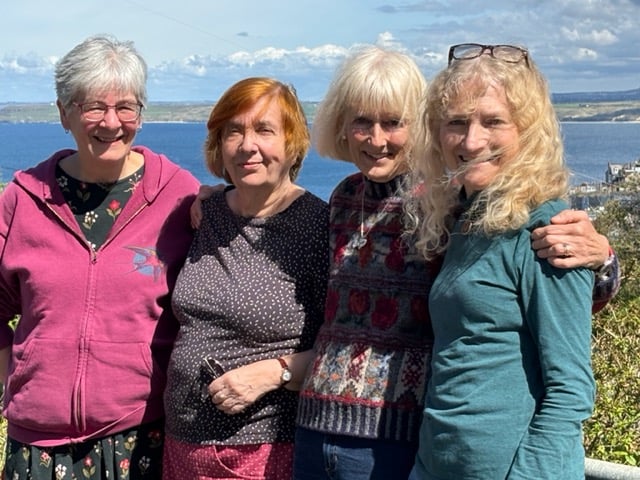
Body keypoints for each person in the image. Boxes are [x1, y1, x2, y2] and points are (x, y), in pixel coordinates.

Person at [291, 45, 617, 480]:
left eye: (393, 122)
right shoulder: (448, 209)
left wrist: (605, 260)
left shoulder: (475, 211)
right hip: (403, 446)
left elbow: (566, 365)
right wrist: (215, 198)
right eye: (458, 123)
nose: (376, 138)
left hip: (407, 438)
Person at [0, 35, 199, 479]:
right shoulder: (22, 198)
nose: (112, 123)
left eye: (126, 107)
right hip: (37, 444)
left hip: (141, 435)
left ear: (141, 115)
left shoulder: (179, 195)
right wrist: (15, 375)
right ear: (63, 113)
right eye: (94, 106)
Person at [409, 43, 596, 479]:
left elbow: (570, 389)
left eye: (493, 121)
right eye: (456, 122)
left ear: (527, 132)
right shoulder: (467, 217)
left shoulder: (547, 228)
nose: (472, 141)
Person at [162, 77, 329, 479]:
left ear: (293, 144)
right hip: (181, 445)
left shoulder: (317, 226)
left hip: (260, 453)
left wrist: (273, 373)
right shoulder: (210, 211)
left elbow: (340, 348)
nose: (246, 144)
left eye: (264, 130)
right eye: (233, 131)